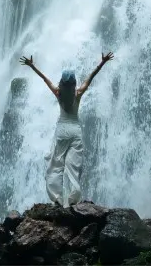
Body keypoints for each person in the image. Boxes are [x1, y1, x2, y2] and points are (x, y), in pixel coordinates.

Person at [20, 52, 114, 207]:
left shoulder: (58, 93)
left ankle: (57, 198)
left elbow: (44, 79)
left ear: (62, 83)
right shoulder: (78, 93)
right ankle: (72, 199)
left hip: (62, 131)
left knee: (56, 165)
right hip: (75, 131)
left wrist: (32, 66)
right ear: (74, 83)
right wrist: (102, 63)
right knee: (73, 166)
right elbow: (90, 78)